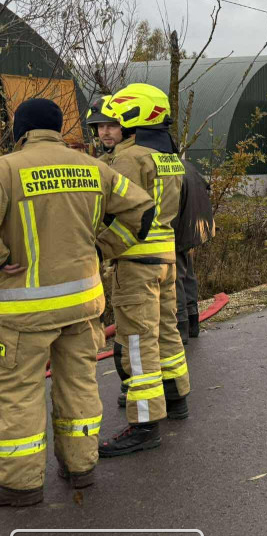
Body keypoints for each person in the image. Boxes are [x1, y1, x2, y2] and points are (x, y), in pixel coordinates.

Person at [0, 99, 154, 506]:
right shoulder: (93, 167)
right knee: (81, 386)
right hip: (84, 305)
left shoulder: (6, 169)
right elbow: (142, 210)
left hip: (21, 313)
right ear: (57, 128)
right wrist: (104, 247)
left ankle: (20, 486)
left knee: (18, 394)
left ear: (21, 131)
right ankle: (81, 468)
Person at [96, 84, 190, 457]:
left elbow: (128, 214)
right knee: (167, 333)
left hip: (135, 260)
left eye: (115, 121)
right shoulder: (168, 155)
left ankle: (145, 424)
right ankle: (176, 399)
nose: (108, 129)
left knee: (137, 342)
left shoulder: (129, 158)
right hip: (166, 259)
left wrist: (98, 247)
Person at [172, 159, 214, 344]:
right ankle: (192, 322)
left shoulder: (166, 168)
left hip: (179, 230)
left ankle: (181, 328)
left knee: (176, 278)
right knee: (188, 274)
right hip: (193, 228)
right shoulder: (185, 165)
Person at [85, 96, 120, 161]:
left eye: (111, 126)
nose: (105, 132)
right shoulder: (103, 161)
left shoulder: (130, 158)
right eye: (101, 126)